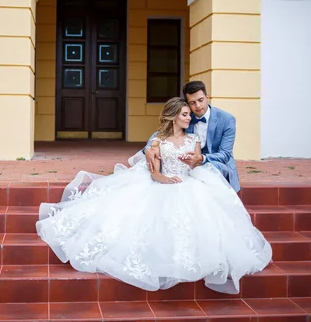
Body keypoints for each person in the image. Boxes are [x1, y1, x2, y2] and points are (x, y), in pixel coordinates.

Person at [36, 97, 272, 294]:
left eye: (190, 114)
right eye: (185, 114)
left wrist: (193, 162)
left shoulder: (194, 140)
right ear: (173, 117)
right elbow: (155, 172)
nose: (189, 118)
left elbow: (195, 165)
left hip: (189, 183)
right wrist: (164, 178)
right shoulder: (158, 141)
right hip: (163, 183)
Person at [145, 81, 241, 192]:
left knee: (207, 170)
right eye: (192, 103)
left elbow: (225, 154)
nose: (198, 106)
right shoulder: (186, 117)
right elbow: (162, 133)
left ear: (207, 97)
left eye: (201, 100)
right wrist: (148, 148)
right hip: (186, 168)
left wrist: (202, 158)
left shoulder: (227, 120)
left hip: (215, 162)